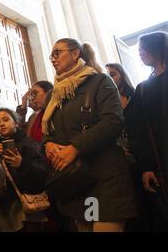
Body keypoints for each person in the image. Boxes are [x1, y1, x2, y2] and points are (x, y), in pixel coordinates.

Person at [43, 38, 137, 232]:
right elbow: (50, 131)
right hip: (78, 183)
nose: (53, 59)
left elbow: (113, 121)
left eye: (57, 53)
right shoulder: (57, 93)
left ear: (75, 53)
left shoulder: (101, 81)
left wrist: (75, 147)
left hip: (105, 179)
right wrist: (48, 144)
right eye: (51, 55)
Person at [106, 63, 153, 231]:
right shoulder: (106, 103)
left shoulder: (135, 95)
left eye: (113, 74)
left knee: (148, 202)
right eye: (107, 75)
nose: (110, 78)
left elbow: (143, 128)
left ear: (122, 75)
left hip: (141, 155)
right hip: (120, 159)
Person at [132, 31, 168, 231]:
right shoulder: (142, 88)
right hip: (160, 157)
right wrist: (146, 167)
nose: (140, 53)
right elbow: (140, 131)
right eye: (138, 51)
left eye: (144, 49)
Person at [0, 108, 49, 232]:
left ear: (16, 122)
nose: (1, 124)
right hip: (8, 205)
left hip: (28, 205)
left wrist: (22, 163)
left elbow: (43, 172)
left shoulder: (28, 144)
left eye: (5, 119)